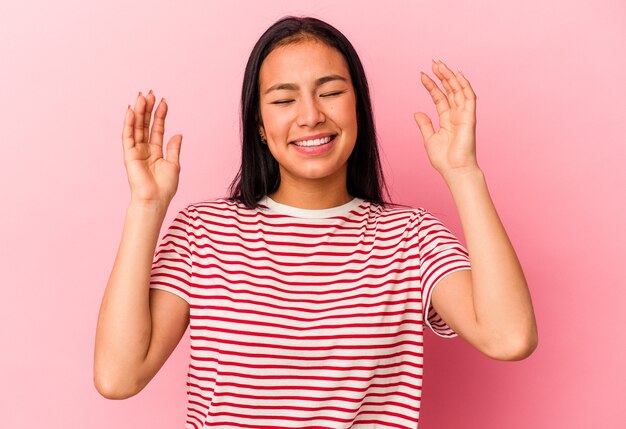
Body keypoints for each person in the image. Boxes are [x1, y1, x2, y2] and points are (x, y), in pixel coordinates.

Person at [94, 15, 538, 429]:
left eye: (330, 92)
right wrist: (147, 205)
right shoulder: (203, 232)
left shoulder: (411, 238)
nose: (310, 115)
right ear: (260, 125)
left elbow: (510, 338)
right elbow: (118, 377)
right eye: (285, 99)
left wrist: (463, 173)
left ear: (358, 107)